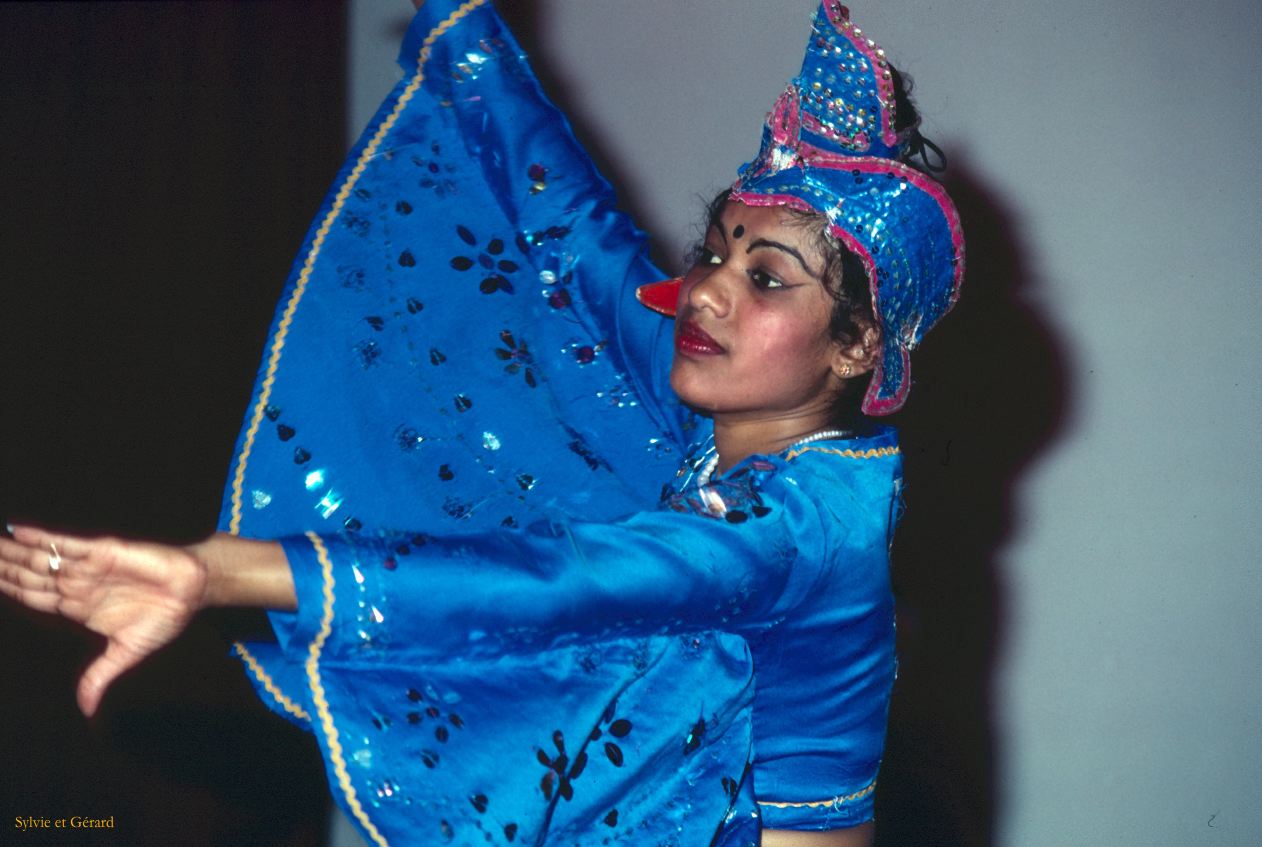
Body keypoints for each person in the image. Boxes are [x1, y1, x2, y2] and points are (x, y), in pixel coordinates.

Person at [0, 2, 962, 845]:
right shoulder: (729, 401)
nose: (709, 290)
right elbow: (575, 227)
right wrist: (462, 20)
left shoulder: (802, 533)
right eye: (712, 251)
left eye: (764, 278)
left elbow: (566, 581)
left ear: (854, 349)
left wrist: (219, 571)